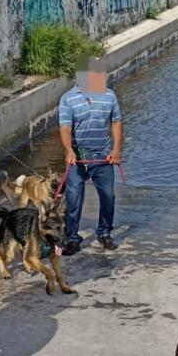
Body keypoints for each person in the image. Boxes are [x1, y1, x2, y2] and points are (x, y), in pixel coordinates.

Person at [57, 56, 123, 256]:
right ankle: (72, 238)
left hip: (103, 158)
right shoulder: (67, 99)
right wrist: (69, 151)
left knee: (108, 197)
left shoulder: (110, 96)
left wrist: (117, 149)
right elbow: (65, 128)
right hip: (77, 159)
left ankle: (104, 232)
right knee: (74, 197)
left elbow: (116, 122)